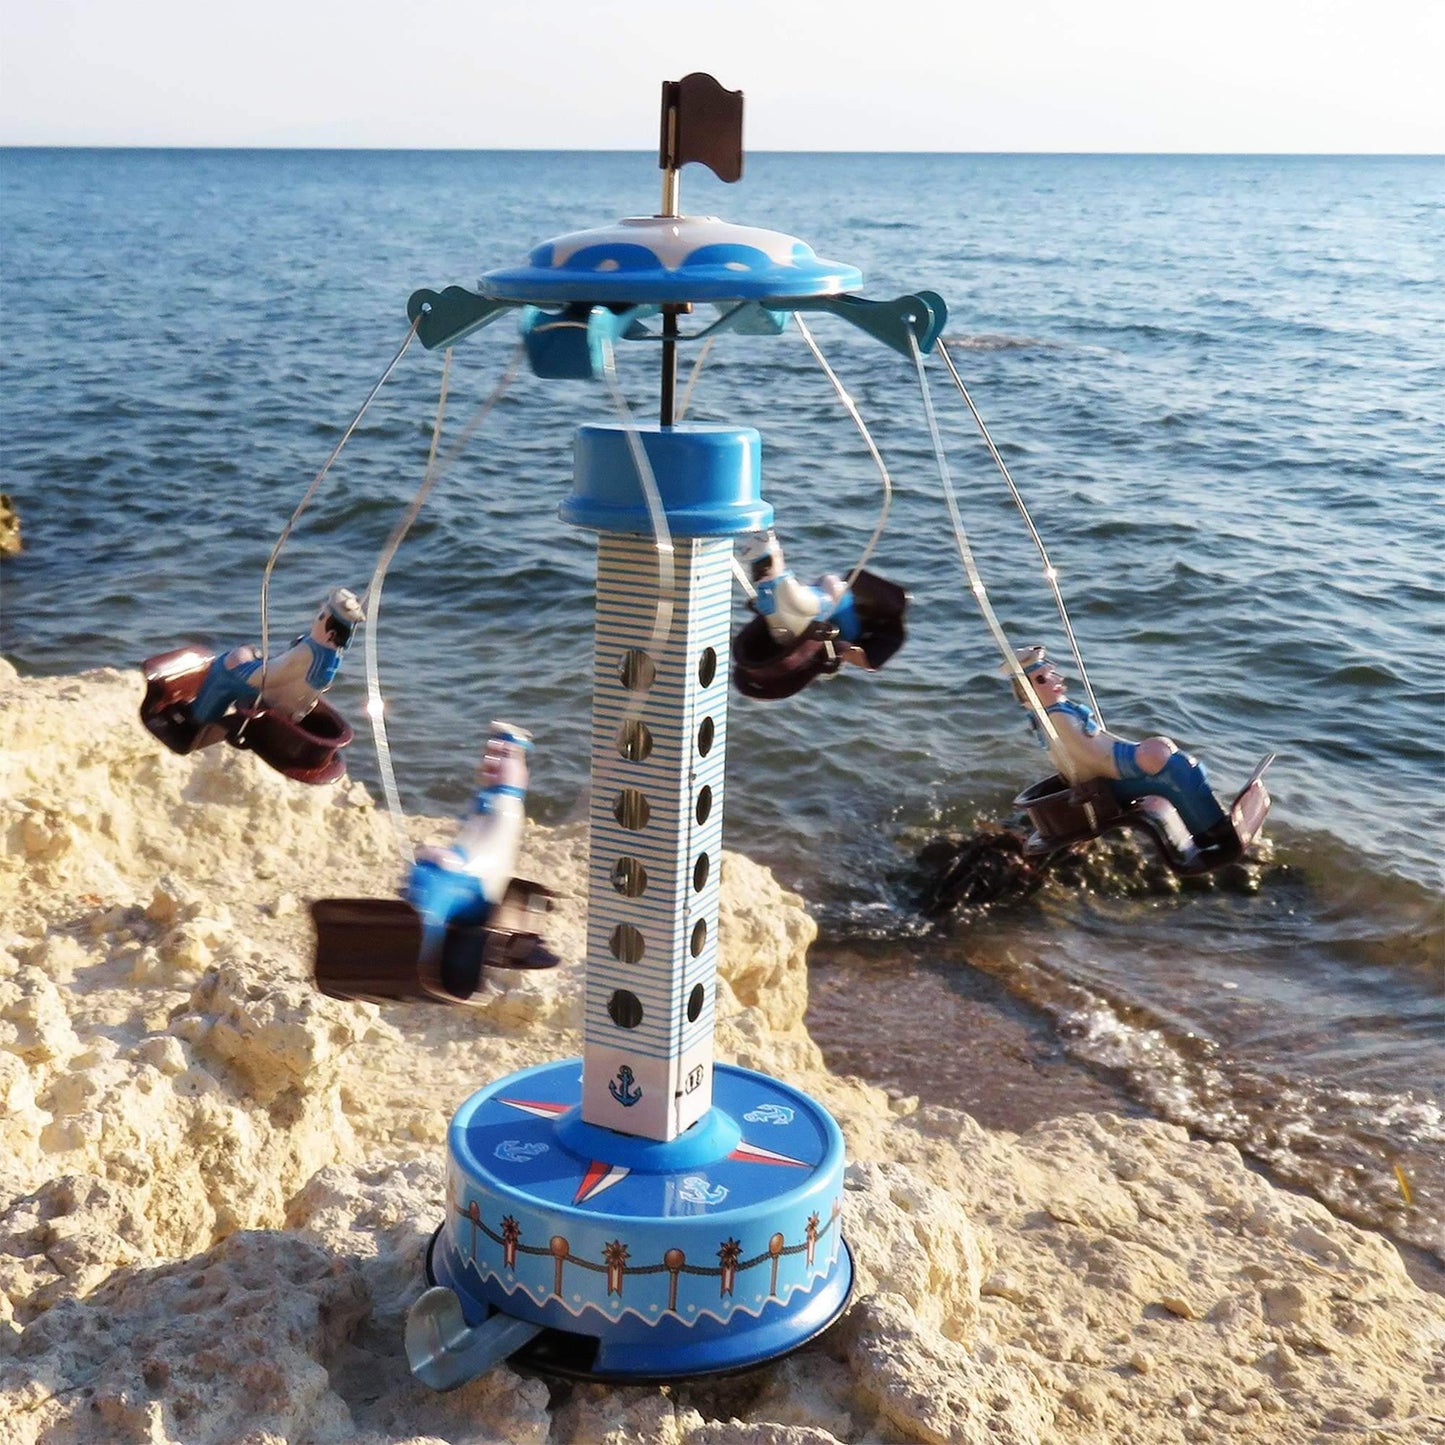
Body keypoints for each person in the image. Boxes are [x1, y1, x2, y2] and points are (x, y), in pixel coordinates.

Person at [1007, 645, 1234, 849]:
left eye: (1051, 673)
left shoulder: (1058, 712)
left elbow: (1098, 745)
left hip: (1103, 779)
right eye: (1044, 679)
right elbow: (1094, 757)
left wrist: (1142, 750)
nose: (1057, 679)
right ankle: (1210, 830)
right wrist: (1137, 759)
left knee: (1179, 763)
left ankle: (1209, 823)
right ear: (1030, 691)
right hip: (1103, 788)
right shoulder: (1058, 720)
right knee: (1179, 770)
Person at [407, 722, 533, 938]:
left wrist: (453, 861)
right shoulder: (486, 803)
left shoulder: (506, 810)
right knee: (423, 873)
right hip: (465, 873)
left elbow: (487, 859)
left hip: (480, 888)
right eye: (488, 753)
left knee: (433, 888)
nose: (489, 761)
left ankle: (424, 950)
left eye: (504, 755)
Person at [190, 587, 365, 730]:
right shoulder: (332, 656)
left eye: (321, 616)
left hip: (274, 700)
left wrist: (238, 663)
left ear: (330, 634)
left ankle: (198, 721)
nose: (315, 619)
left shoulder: (307, 652)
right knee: (248, 652)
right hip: (294, 705)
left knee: (223, 668)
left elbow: (268, 677)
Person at [739, 529, 868, 667]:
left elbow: (774, 605)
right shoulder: (785, 585)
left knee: (828, 581)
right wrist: (826, 600)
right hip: (798, 624)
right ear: (776, 557)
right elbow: (804, 606)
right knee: (839, 592)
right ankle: (852, 635)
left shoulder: (766, 588)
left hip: (783, 628)